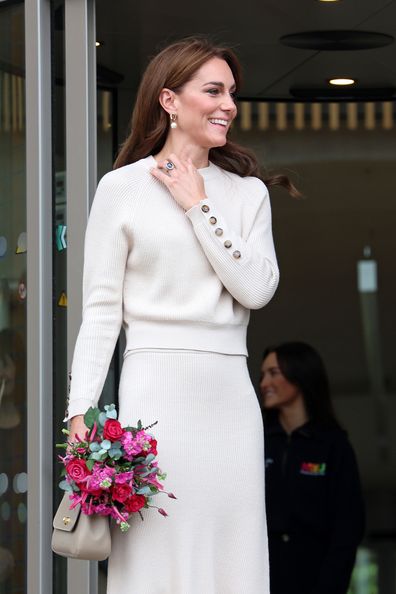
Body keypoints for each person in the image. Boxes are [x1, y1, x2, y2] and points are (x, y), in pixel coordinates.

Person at [65, 37, 296, 594]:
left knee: (232, 552)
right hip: (153, 398)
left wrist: (198, 204)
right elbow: (99, 313)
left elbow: (257, 289)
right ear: (169, 100)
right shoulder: (120, 189)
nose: (228, 106)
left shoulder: (246, 195)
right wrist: (80, 414)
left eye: (232, 94)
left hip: (227, 397)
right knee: (154, 557)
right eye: (213, 91)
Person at [260, 342, 365, 594]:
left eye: (273, 373)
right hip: (263, 576)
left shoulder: (333, 445)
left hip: (315, 578)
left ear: (300, 375)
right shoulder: (257, 441)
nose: (264, 383)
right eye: (262, 375)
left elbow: (348, 528)